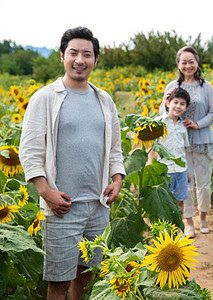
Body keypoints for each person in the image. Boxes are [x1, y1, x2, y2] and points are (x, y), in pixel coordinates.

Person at [19, 27, 125, 300]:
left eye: (87, 54)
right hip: (62, 207)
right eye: (74, 53)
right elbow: (29, 151)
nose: (80, 60)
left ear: (95, 59)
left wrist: (117, 179)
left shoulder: (104, 99)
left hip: (98, 205)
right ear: (62, 56)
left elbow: (114, 147)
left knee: (88, 276)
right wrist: (46, 193)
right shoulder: (45, 98)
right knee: (59, 281)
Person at [161, 46, 213, 238]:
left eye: (191, 61)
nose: (188, 65)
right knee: (185, 184)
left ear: (197, 63)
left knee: (204, 183)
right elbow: (163, 115)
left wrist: (197, 124)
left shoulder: (206, 86)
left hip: (202, 140)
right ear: (178, 64)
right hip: (178, 144)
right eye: (183, 62)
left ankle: (202, 217)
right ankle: (188, 222)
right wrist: (167, 100)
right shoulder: (171, 87)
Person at [150, 88, 190, 216]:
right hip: (164, 169)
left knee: (180, 201)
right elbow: (152, 146)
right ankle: (165, 231)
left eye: (182, 104)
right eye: (175, 102)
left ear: (186, 107)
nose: (178, 106)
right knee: (163, 202)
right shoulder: (158, 122)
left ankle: (178, 229)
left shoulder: (183, 127)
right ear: (168, 103)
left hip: (180, 170)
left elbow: (184, 150)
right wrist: (150, 164)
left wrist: (187, 171)